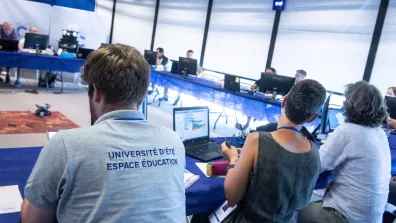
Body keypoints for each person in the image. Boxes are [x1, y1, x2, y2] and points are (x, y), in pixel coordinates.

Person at [21, 44, 186, 222]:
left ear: (96, 93)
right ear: (143, 93)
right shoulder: (173, 140)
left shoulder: (65, 145)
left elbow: (33, 219)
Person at [219, 79, 326, 222]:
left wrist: (233, 160)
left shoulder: (256, 140)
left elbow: (231, 198)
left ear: (284, 100)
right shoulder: (314, 153)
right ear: (313, 118)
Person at [298, 81, 391, 223]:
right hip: (374, 218)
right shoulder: (380, 133)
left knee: (294, 211)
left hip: (347, 217)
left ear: (351, 104)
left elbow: (316, 165)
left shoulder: (347, 131)